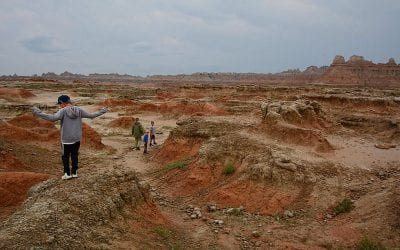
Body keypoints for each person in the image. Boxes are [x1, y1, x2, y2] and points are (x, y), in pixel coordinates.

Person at [32, 95, 107, 180]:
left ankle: (67, 174)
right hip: (77, 138)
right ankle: (74, 173)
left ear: (62, 102)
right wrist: (103, 111)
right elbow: (91, 115)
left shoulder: (63, 111)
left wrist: (38, 112)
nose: (59, 106)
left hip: (66, 139)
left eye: (59, 104)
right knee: (75, 155)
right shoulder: (79, 110)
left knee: (65, 156)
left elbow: (52, 118)